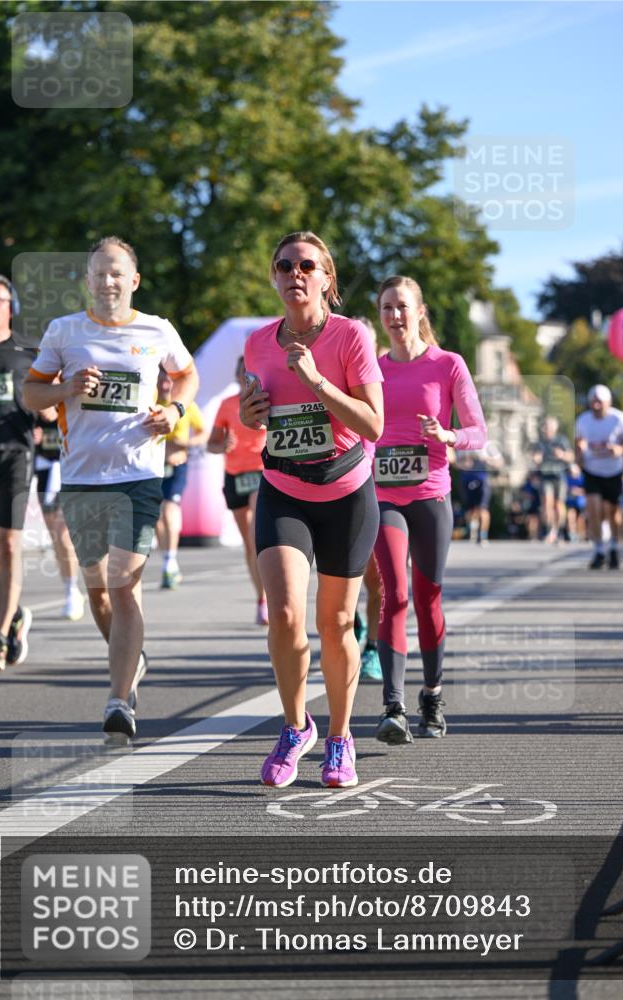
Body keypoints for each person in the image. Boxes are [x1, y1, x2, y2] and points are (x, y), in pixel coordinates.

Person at [23, 236, 199, 739]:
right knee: (97, 591)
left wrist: (175, 411)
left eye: (117, 273)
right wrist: (66, 389)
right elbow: (32, 393)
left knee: (124, 586)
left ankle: (119, 701)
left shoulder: (157, 330)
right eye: (99, 273)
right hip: (81, 478)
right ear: (87, 280)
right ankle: (132, 657)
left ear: (134, 280)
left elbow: (187, 377)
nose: (107, 281)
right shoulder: (65, 331)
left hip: (139, 476)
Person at [240, 231, 383, 788]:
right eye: (284, 265)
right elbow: (259, 416)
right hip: (283, 486)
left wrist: (317, 381)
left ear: (327, 279)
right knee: (284, 614)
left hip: (346, 491)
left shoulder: (350, 337)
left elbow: (373, 424)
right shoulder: (256, 343)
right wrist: (253, 414)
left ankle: (341, 737)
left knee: (338, 621)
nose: (295, 273)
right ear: (274, 277)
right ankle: (296, 726)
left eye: (307, 265)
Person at [371, 275, 487, 745]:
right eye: (386, 308)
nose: (395, 316)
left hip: (431, 495)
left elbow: (479, 431)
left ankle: (432, 695)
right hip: (383, 495)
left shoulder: (448, 365)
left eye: (402, 306)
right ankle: (393, 706)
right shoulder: (372, 368)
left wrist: (448, 436)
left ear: (420, 311)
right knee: (392, 593)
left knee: (427, 598)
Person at [0, 273, 42, 670]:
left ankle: (0, 637)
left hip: (17, 457)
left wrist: (50, 414)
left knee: (7, 545)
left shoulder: (28, 351)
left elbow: (47, 402)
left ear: (10, 306)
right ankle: (17, 613)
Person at [207, 356, 268, 624]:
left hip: (260, 470)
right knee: (248, 544)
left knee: (256, 536)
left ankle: (267, 599)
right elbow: (211, 444)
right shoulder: (227, 405)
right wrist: (223, 446)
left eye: (250, 373)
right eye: (242, 372)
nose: (246, 378)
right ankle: (261, 597)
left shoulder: (267, 401)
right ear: (236, 376)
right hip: (234, 475)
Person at [351, 317, 384, 683]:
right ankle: (356, 621)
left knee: (379, 580)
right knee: (344, 574)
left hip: (381, 491)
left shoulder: (387, 379)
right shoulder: (335, 378)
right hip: (342, 489)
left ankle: (373, 646)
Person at [154, 366, 207, 589]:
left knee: (169, 508)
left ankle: (171, 561)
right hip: (154, 467)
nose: (165, 383)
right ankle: (168, 561)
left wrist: (187, 444)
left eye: (169, 379)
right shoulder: (151, 401)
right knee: (157, 515)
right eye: (161, 379)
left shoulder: (184, 405)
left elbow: (203, 432)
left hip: (177, 465)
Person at [33, 413, 87, 620]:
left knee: (63, 534)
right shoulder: (35, 389)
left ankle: (73, 591)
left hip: (71, 469)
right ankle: (69, 587)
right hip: (45, 470)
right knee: (56, 537)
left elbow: (51, 413)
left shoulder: (68, 391)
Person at [575, 384, 623, 570]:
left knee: (612, 512)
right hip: (592, 471)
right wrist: (580, 457)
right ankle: (599, 550)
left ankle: (615, 547)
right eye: (594, 401)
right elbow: (578, 444)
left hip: (614, 472)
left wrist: (621, 450)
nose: (597, 405)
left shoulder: (619, 419)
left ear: (608, 402)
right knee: (593, 508)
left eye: (600, 401)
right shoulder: (583, 421)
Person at [529, 415, 573, 543]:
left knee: (559, 504)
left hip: (559, 475)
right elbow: (535, 457)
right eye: (545, 426)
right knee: (546, 503)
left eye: (548, 426)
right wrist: (536, 459)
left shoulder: (561, 440)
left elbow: (571, 456)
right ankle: (549, 530)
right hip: (545, 476)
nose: (546, 429)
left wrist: (562, 455)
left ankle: (559, 530)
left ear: (555, 428)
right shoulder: (539, 442)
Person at [564, 462, 587, 543]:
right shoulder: (567, 478)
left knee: (581, 519)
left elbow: (587, 490)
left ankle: (581, 535)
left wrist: (577, 491)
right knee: (571, 516)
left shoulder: (582, 478)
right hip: (571, 502)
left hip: (581, 503)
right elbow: (565, 489)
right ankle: (572, 534)